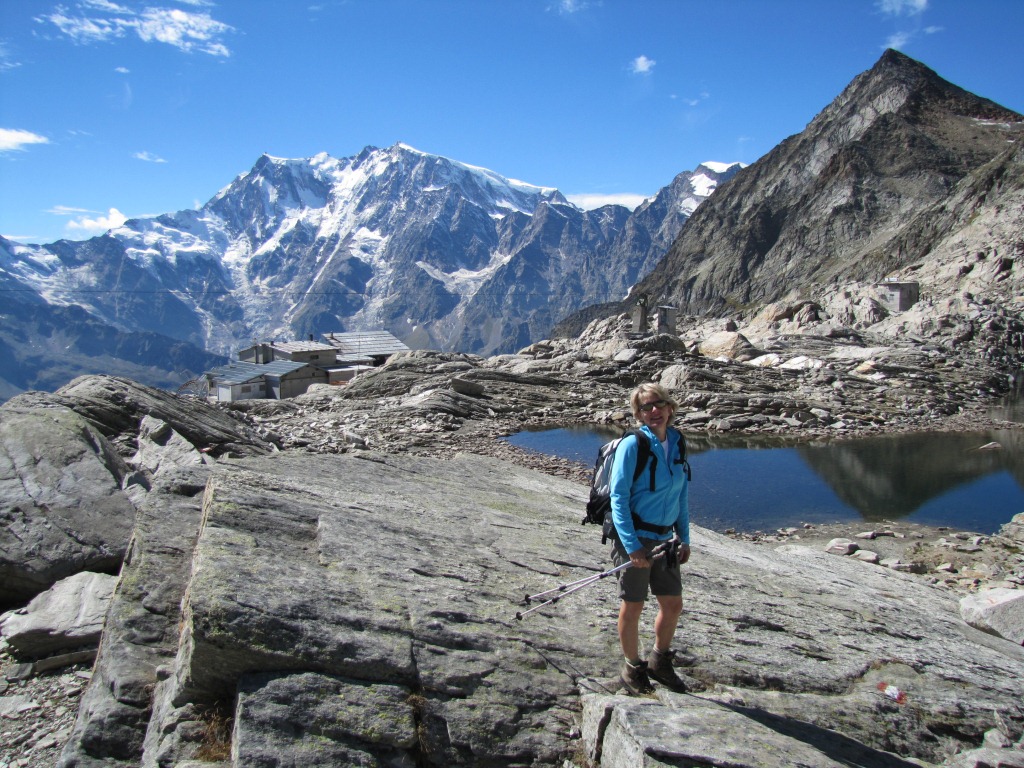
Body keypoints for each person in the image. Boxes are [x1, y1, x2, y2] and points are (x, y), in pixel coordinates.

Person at [608, 382, 691, 694]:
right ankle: (632, 668)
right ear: (638, 414)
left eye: (658, 404)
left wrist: (684, 536)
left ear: (670, 408)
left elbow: (681, 492)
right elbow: (618, 498)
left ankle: (659, 660)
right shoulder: (633, 445)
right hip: (636, 538)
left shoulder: (678, 442)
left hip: (665, 539)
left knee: (672, 604)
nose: (653, 411)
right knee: (633, 605)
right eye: (645, 407)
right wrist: (632, 547)